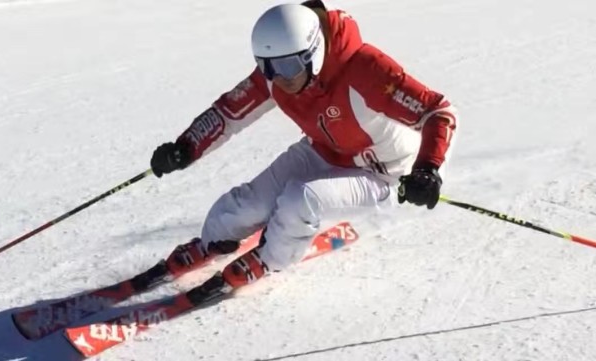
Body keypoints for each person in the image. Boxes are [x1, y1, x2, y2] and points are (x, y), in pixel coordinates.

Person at [149, 0, 457, 294]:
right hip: (323, 151)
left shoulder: (366, 69)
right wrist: (185, 147)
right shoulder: (277, 74)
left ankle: (270, 259)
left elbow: (438, 112)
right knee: (246, 205)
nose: (278, 78)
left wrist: (427, 170)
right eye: (266, 66)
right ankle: (210, 244)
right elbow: (228, 113)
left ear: (315, 51)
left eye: (287, 66)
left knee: (301, 199)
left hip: (382, 174)